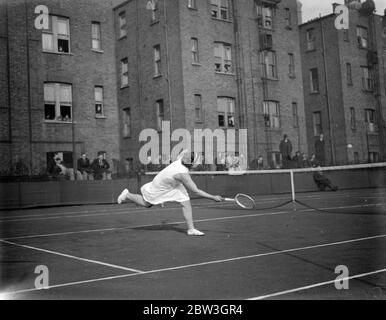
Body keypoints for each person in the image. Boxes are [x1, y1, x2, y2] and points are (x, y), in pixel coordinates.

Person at [117, 151, 223, 236]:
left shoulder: (182, 157)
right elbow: (195, 190)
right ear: (190, 163)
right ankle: (127, 195)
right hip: (161, 186)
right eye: (196, 161)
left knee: (185, 202)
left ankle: (191, 229)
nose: (199, 162)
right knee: (147, 204)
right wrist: (213, 197)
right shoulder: (183, 174)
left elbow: (188, 154)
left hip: (173, 184)